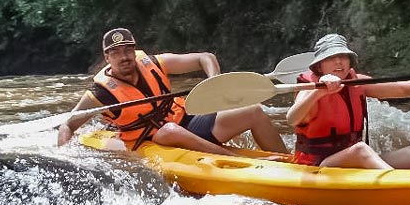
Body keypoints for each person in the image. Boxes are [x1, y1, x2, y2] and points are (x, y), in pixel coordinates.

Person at [54, 27, 288, 155]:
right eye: (116, 53)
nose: (124, 57)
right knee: (168, 130)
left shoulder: (153, 62)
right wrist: (66, 155)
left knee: (254, 111)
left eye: (127, 50)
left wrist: (214, 83)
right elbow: (68, 124)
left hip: (189, 123)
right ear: (107, 57)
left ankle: (292, 162)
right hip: (155, 141)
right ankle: (231, 157)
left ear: (134, 49)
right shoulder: (100, 93)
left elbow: (204, 57)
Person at [286, 33, 410, 169]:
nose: (339, 61)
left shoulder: (357, 83)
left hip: (351, 159)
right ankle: (397, 187)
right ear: (319, 67)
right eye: (331, 58)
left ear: (350, 62)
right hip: (318, 165)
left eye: (343, 57)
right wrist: (318, 93)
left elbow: (403, 89)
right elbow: (292, 118)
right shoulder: (309, 88)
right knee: (360, 149)